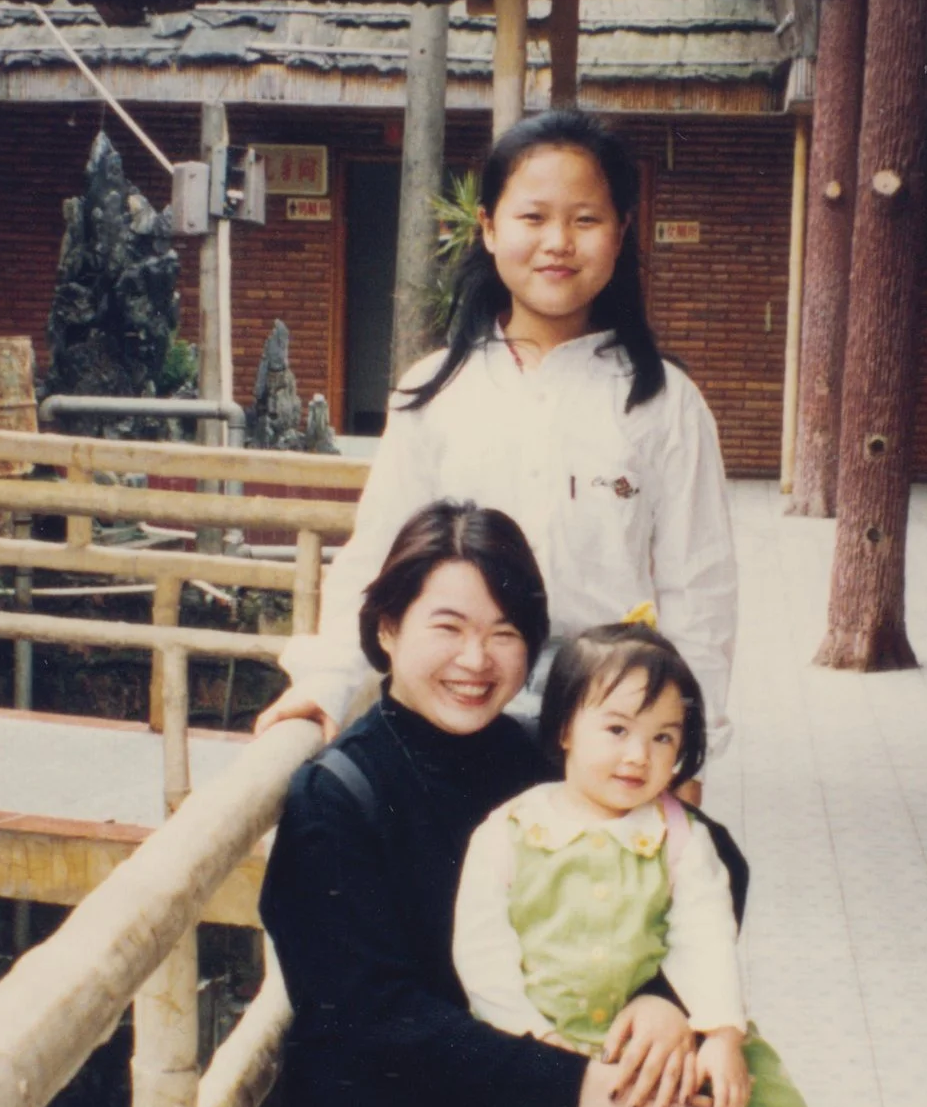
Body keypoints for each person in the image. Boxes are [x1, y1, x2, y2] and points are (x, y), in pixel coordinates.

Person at [260, 500, 759, 1107]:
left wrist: (664, 998)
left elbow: (714, 857)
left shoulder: (540, 749)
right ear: (388, 628)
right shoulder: (338, 801)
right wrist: (571, 1083)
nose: (475, 659)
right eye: (446, 626)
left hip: (556, 1093)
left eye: (504, 633)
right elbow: (371, 1019)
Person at [389, 622, 850, 1107]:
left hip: (657, 1034)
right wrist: (536, 1044)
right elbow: (484, 948)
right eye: (616, 729)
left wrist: (720, 1033)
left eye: (663, 737)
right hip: (556, 1038)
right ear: (565, 726)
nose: (638, 756)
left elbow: (705, 928)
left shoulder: (675, 832)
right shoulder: (513, 828)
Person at [258, 109, 740, 771]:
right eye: (533, 217)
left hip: (603, 732)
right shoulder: (433, 390)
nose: (558, 242)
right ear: (487, 226)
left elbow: (700, 591)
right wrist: (326, 682)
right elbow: (376, 559)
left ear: (622, 231)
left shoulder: (665, 404)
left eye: (586, 219)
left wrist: (687, 753)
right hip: (455, 705)